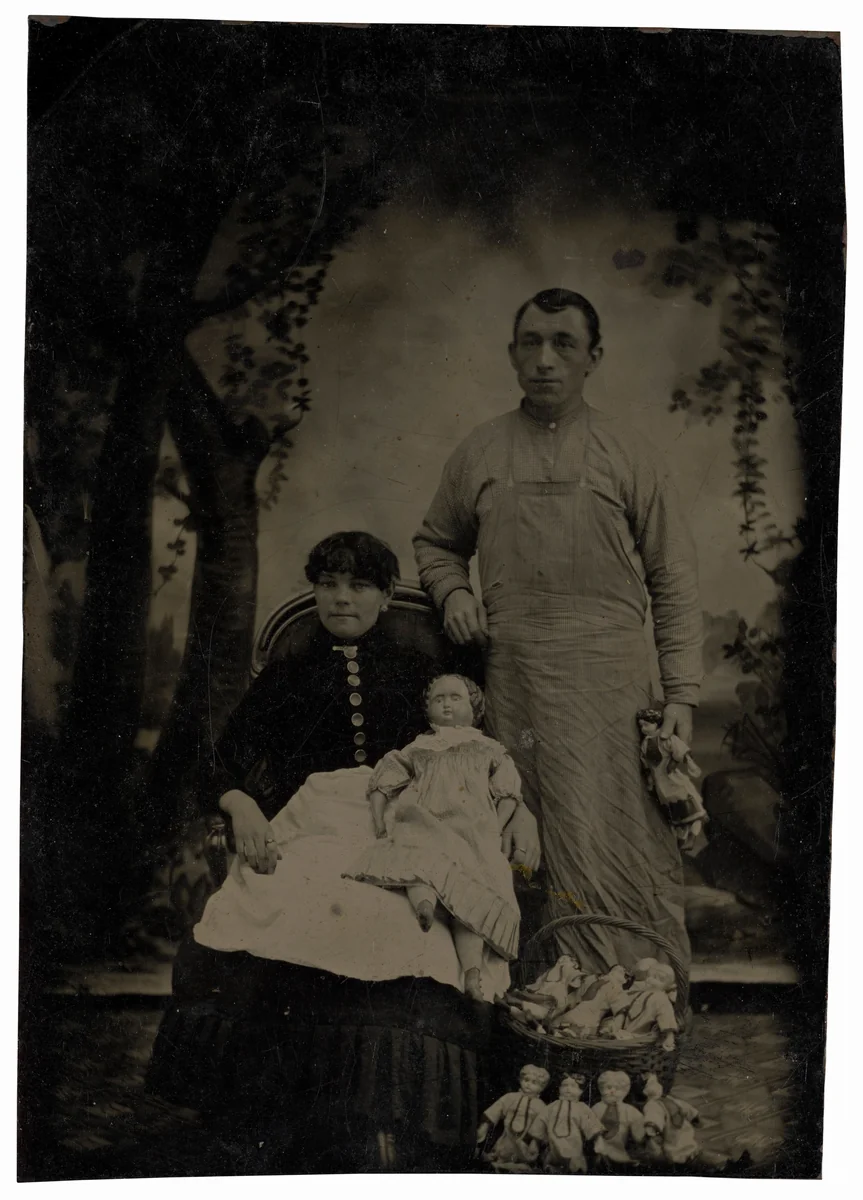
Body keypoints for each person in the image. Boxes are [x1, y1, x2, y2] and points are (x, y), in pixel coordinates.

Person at [146, 532, 508, 1170]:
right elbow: (221, 761)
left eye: (360, 585)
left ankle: (382, 1111)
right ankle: (277, 1111)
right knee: (288, 908)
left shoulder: (418, 673)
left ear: (384, 597)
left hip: (401, 822)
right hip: (305, 822)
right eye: (330, 584)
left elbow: (464, 754)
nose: (343, 598)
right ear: (314, 590)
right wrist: (241, 804)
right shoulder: (287, 674)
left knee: (396, 920)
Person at [414, 288, 702, 975]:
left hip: (613, 689)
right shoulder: (479, 449)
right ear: (512, 353)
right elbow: (435, 543)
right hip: (517, 683)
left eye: (563, 344)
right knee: (523, 831)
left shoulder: (627, 452)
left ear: (592, 357)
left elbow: (673, 577)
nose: (544, 360)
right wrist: (453, 589)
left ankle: (635, 1009)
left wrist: (682, 696)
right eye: (531, 343)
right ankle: (535, 1015)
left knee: (619, 841)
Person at [346, 673, 522, 1000]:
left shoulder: (488, 748)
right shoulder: (421, 746)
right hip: (425, 817)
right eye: (438, 699)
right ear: (428, 709)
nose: (446, 704)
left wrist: (495, 825)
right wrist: (379, 815)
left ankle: (472, 971)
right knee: (416, 857)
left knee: (473, 892)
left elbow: (508, 789)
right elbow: (386, 777)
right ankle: (424, 904)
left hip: (471, 824)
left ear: (475, 709)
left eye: (455, 698)